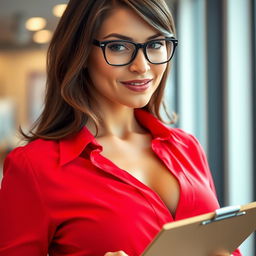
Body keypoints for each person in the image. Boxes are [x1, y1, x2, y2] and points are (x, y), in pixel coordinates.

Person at [0, 0, 241, 255]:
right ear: (79, 53)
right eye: (118, 47)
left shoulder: (187, 147)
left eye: (156, 44)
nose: (142, 66)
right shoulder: (35, 167)